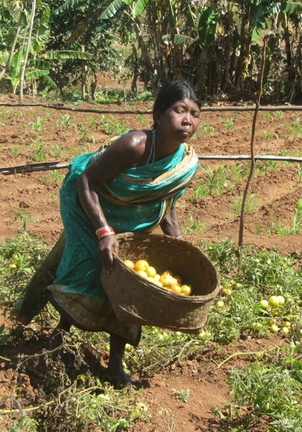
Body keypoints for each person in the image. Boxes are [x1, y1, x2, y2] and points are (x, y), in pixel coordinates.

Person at [44, 80, 201, 385]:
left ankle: (115, 366)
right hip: (87, 202)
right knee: (88, 269)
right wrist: (103, 231)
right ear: (157, 115)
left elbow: (166, 205)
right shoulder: (134, 145)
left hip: (132, 215)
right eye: (179, 110)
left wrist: (180, 245)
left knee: (127, 285)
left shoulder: (185, 162)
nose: (187, 119)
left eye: (195, 113)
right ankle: (57, 342)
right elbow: (86, 182)